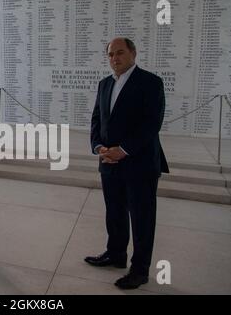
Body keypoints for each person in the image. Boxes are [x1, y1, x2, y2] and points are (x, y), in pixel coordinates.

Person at [86, 37, 169, 289]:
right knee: (115, 212)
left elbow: (151, 124)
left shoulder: (150, 82)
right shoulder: (104, 84)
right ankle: (116, 254)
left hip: (139, 163)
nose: (115, 58)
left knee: (142, 218)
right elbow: (97, 120)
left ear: (133, 53)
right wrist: (99, 147)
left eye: (120, 53)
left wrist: (123, 150)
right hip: (109, 162)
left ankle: (140, 270)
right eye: (110, 54)